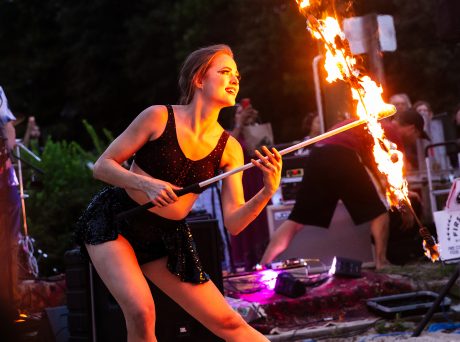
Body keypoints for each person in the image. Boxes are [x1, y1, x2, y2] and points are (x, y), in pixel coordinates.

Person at [75, 44, 281, 341]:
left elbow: (234, 223)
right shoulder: (158, 117)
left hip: (166, 238)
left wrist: (266, 191)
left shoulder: (230, 149)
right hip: (117, 220)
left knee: (230, 323)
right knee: (141, 311)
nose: (235, 79)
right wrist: (146, 183)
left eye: (237, 75)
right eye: (225, 72)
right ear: (199, 79)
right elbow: (102, 166)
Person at [260, 109, 430, 270]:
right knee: (380, 213)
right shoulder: (391, 131)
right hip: (342, 154)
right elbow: (393, 176)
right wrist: (405, 204)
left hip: (319, 153)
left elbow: (379, 176)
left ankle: (262, 265)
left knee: (296, 220)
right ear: (412, 128)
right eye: (417, 135)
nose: (415, 140)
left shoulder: (375, 123)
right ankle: (382, 262)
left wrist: (403, 195)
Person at [228, 100, 272, 271]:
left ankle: (266, 259)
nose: (243, 115)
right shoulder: (230, 134)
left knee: (261, 220)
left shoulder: (255, 132)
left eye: (245, 112)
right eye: (239, 112)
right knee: (244, 219)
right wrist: (239, 124)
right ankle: (246, 264)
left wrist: (254, 120)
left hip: (258, 181)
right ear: (234, 117)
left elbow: (267, 149)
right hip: (241, 184)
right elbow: (227, 147)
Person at [0, 86, 21, 319]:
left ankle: (9, 308)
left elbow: (8, 127)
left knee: (8, 246)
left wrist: (6, 149)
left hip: (4, 181)